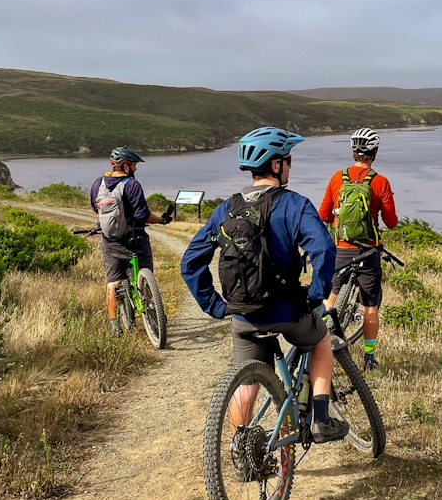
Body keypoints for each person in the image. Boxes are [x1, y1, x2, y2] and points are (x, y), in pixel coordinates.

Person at [180, 127, 349, 443]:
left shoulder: (227, 208)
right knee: (320, 342)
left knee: (246, 385)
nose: (290, 166)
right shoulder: (294, 205)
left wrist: (216, 306)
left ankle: (241, 450)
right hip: (287, 310)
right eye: (288, 160)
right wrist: (315, 295)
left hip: (243, 315)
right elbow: (324, 250)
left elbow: (190, 262)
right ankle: (322, 421)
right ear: (276, 165)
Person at [318, 127, 398, 369]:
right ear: (375, 151)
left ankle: (317, 347)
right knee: (370, 306)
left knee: (331, 298)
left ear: (354, 152)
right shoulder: (380, 181)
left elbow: (323, 214)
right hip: (368, 252)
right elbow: (392, 222)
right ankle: (369, 357)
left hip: (342, 249)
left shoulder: (336, 178)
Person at [89, 146, 173, 337]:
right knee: (146, 274)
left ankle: (115, 327)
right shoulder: (132, 185)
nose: (135, 169)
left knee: (113, 282)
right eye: (134, 165)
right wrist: (161, 220)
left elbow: (97, 210)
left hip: (110, 243)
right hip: (135, 241)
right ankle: (155, 313)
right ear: (125, 166)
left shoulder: (98, 184)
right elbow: (143, 216)